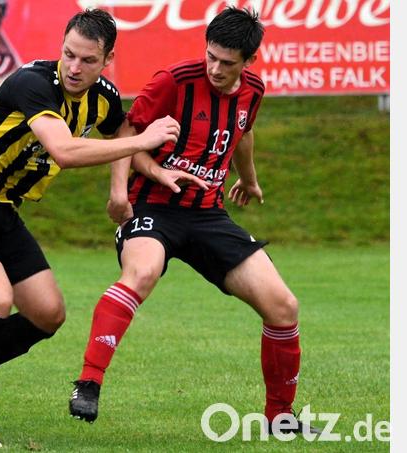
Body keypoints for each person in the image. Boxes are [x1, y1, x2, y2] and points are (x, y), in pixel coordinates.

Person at [0, 9, 201, 447]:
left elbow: (120, 126)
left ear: (107, 60)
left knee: (48, 314)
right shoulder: (32, 83)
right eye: (68, 55)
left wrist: (121, 190)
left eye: (87, 60)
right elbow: (64, 150)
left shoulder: (102, 96)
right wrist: (144, 142)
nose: (74, 67)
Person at [68, 6, 320, 434]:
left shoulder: (252, 90)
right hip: (152, 206)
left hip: (207, 215)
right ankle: (88, 383)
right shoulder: (175, 81)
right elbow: (129, 134)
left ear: (248, 61)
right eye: (211, 56)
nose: (216, 68)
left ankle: (279, 418)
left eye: (228, 62)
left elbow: (244, 130)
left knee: (283, 306)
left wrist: (250, 179)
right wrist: (128, 187)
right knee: (141, 272)